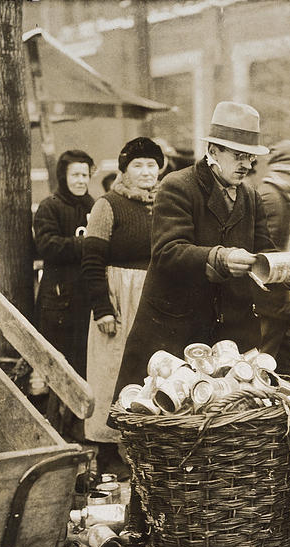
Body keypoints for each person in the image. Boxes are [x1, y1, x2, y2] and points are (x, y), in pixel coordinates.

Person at [113, 101, 277, 394]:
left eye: (250, 157)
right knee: (164, 414)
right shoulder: (178, 186)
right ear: (213, 150)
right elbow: (167, 251)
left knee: (226, 416)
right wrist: (220, 256)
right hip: (176, 327)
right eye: (239, 155)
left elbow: (265, 249)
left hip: (230, 332)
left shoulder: (250, 195)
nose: (246, 165)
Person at [82, 138, 163, 475]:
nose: (146, 172)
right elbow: (91, 260)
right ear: (125, 171)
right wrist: (102, 308)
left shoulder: (166, 204)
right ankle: (112, 456)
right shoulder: (108, 205)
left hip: (154, 298)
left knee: (153, 372)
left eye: (152, 165)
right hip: (118, 298)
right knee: (112, 371)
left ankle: (147, 449)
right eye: (138, 165)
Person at [33, 149, 95, 437]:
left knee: (82, 364)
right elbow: (47, 246)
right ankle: (53, 431)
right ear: (63, 176)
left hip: (85, 300)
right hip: (57, 300)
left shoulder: (92, 205)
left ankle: (77, 430)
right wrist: (83, 245)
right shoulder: (50, 207)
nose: (81, 180)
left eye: (85, 174)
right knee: (57, 368)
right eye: (76, 175)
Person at [255, 140, 290, 376]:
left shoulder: (279, 194)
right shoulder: (275, 199)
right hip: (274, 304)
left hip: (278, 302)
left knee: (287, 365)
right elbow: (269, 259)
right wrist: (284, 305)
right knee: (263, 365)